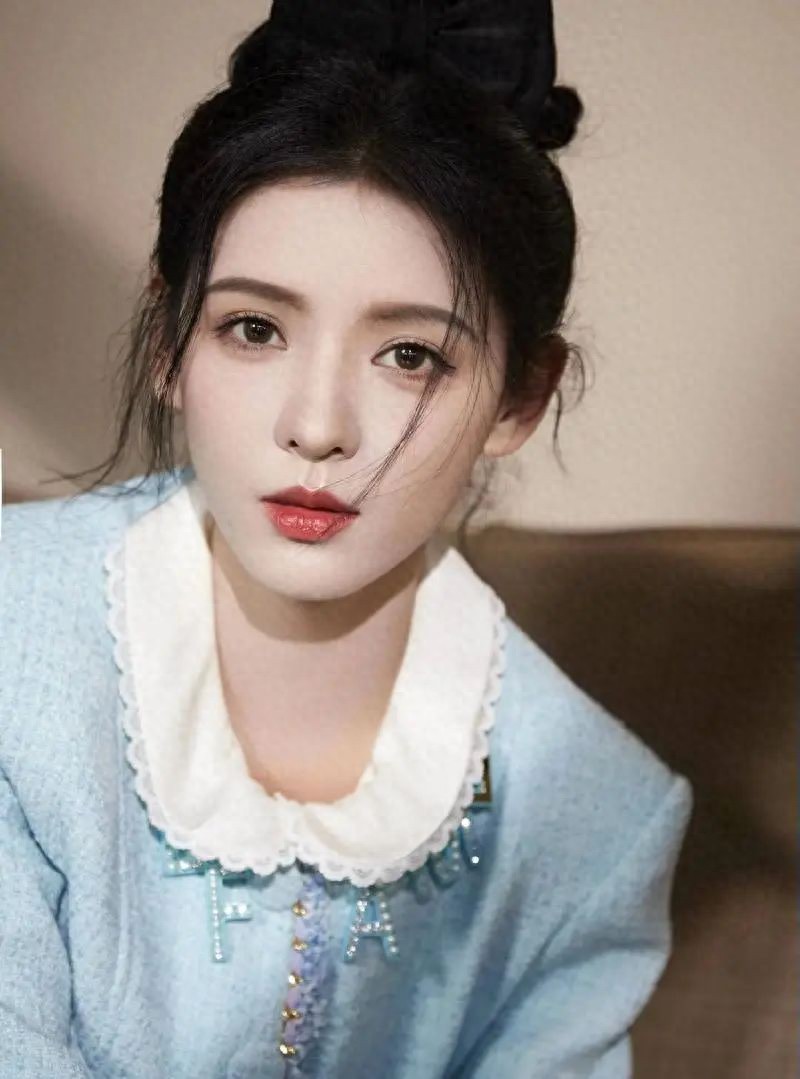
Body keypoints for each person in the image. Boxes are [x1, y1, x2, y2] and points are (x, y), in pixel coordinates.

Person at [0, 2, 693, 1076]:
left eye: (411, 355)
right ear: (170, 341)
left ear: (521, 396)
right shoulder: (15, 637)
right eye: (254, 328)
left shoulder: (595, 815)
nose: (317, 425)